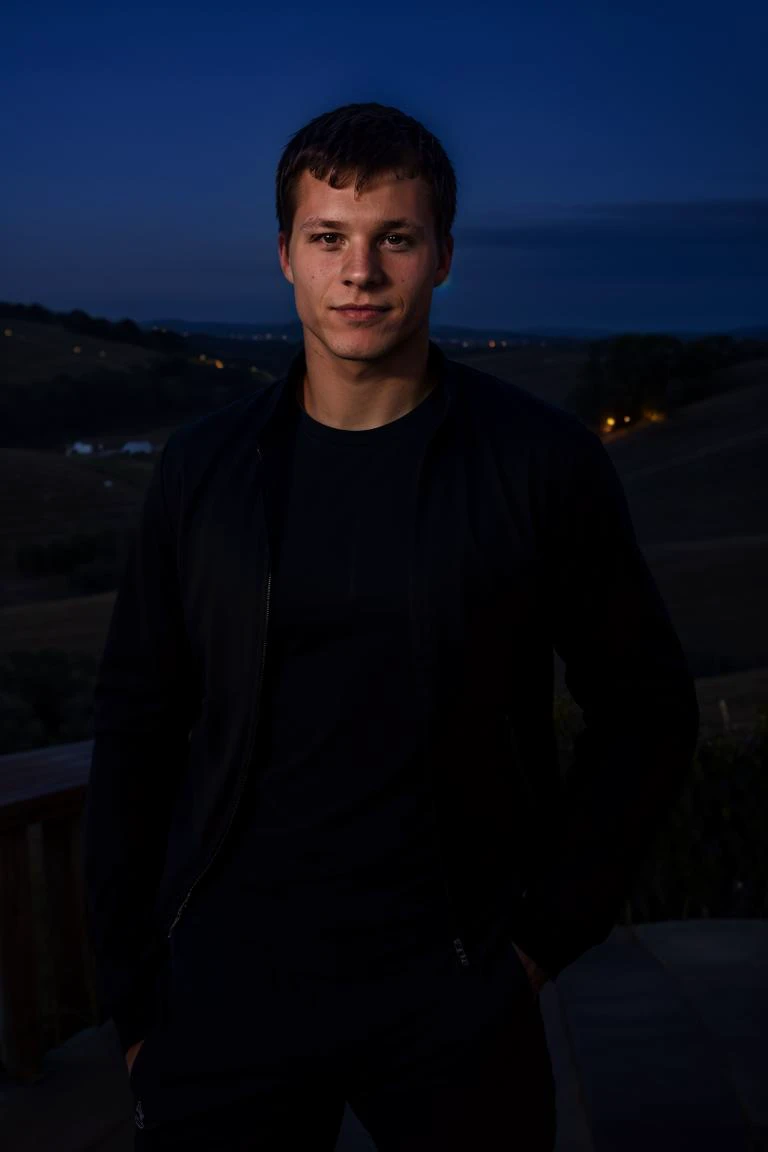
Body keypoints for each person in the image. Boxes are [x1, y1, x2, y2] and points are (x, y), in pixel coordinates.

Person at [82, 101, 700, 1150]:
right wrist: (136, 999)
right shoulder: (203, 470)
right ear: (286, 255)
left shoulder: (540, 464)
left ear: (443, 257)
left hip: (451, 983)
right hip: (229, 982)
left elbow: (646, 712)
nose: (359, 272)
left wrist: (538, 943)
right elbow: (139, 724)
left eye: (394, 239)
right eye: (329, 239)